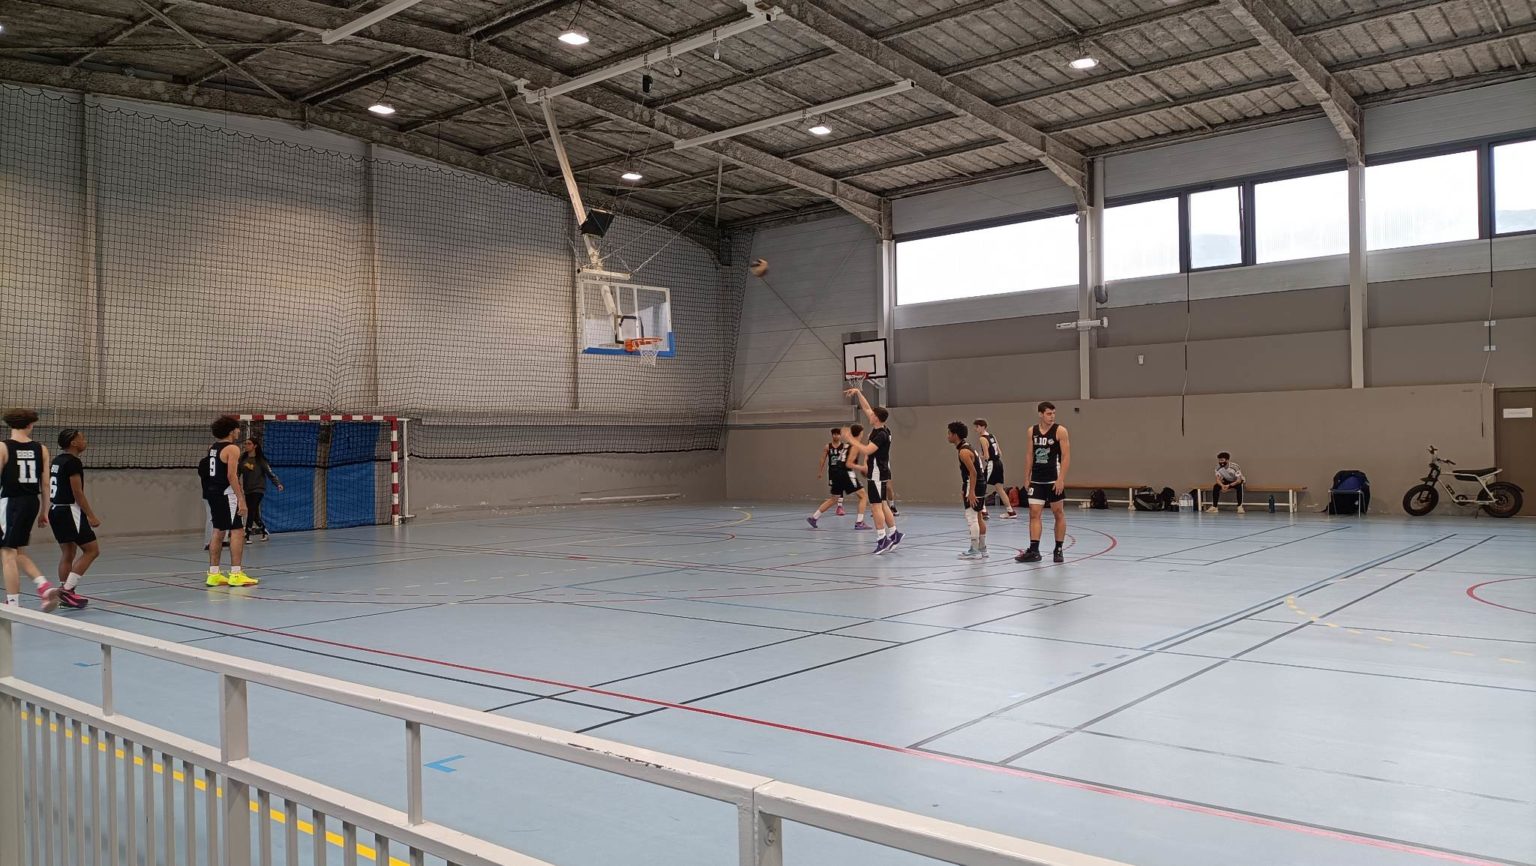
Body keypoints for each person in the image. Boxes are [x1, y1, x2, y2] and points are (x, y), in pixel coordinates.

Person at [0, 408, 58, 611]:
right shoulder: (41, 449)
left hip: (10, 503)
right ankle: (43, 586)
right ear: (30, 425)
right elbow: (45, 484)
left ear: (9, 424)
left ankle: (13, 605)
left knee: (7, 553)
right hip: (31, 502)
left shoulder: (2, 447)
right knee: (17, 550)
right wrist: (45, 511)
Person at [844, 388, 902, 554]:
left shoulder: (881, 435)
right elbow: (867, 407)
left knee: (875, 506)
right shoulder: (881, 428)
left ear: (876, 418)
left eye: (872, 415)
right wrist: (858, 393)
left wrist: (851, 439)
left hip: (877, 472)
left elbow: (867, 450)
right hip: (880, 471)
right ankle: (894, 534)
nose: (869, 415)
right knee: (882, 503)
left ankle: (882, 539)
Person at [201, 415, 256, 587]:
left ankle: (214, 574)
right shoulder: (232, 449)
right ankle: (236, 573)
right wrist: (241, 499)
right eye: (238, 428)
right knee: (237, 530)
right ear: (232, 431)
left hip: (213, 493)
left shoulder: (213, 448)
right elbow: (231, 476)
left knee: (218, 530)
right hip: (226, 494)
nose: (239, 431)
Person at [49, 428, 100, 609]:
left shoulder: (57, 460)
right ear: (73, 442)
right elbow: (77, 492)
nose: (85, 441)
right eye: (82, 438)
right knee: (92, 550)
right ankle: (67, 590)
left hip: (55, 509)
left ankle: (66, 595)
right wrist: (91, 515)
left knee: (68, 553)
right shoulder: (73, 462)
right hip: (70, 510)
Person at [1015, 401, 1071, 564]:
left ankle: (1058, 549)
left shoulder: (1060, 431)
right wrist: (1027, 477)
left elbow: (1066, 456)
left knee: (1058, 513)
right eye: (1048, 413)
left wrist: (1061, 479)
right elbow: (1029, 455)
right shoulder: (1032, 431)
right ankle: (1034, 550)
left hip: (1054, 478)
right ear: (1040, 414)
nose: (1052, 416)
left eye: (1053, 413)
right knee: (1034, 513)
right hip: (1037, 479)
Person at [808, 426, 866, 529]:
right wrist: (862, 468)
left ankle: (814, 517)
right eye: (862, 433)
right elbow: (848, 464)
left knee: (834, 499)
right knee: (863, 496)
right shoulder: (855, 446)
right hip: (846, 473)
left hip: (836, 473)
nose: (862, 435)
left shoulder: (847, 444)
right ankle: (859, 523)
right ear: (860, 434)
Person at [947, 421, 988, 559]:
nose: (948, 436)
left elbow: (973, 473)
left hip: (974, 485)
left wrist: (971, 492)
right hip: (979, 484)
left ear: (955, 435)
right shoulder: (967, 447)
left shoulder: (964, 452)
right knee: (979, 516)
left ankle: (974, 550)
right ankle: (983, 548)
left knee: (972, 517)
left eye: (949, 433)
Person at [239, 438, 284, 541]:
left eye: (249, 444)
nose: (246, 445)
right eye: (245, 443)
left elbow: (270, 473)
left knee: (251, 510)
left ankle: (247, 535)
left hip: (258, 489)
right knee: (254, 514)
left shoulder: (261, 460)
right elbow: (237, 472)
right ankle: (264, 531)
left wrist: (278, 484)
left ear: (255, 446)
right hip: (247, 489)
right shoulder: (243, 459)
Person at [974, 419, 1018, 520]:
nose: (975, 429)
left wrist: (980, 456)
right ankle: (1011, 512)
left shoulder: (982, 438)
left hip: (992, 464)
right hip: (999, 463)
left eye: (977, 427)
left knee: (980, 486)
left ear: (983, 427)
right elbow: (1000, 452)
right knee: (999, 489)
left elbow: (987, 456)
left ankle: (984, 512)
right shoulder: (992, 436)